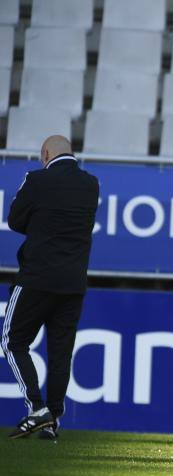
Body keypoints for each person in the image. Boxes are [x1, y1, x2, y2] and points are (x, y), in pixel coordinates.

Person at [2, 135, 99, 441]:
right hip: (73, 282)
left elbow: (15, 220)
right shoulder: (91, 184)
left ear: (45, 154)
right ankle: (53, 419)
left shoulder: (36, 179)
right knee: (60, 352)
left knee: (12, 340)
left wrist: (41, 223)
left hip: (37, 277)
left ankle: (37, 409)